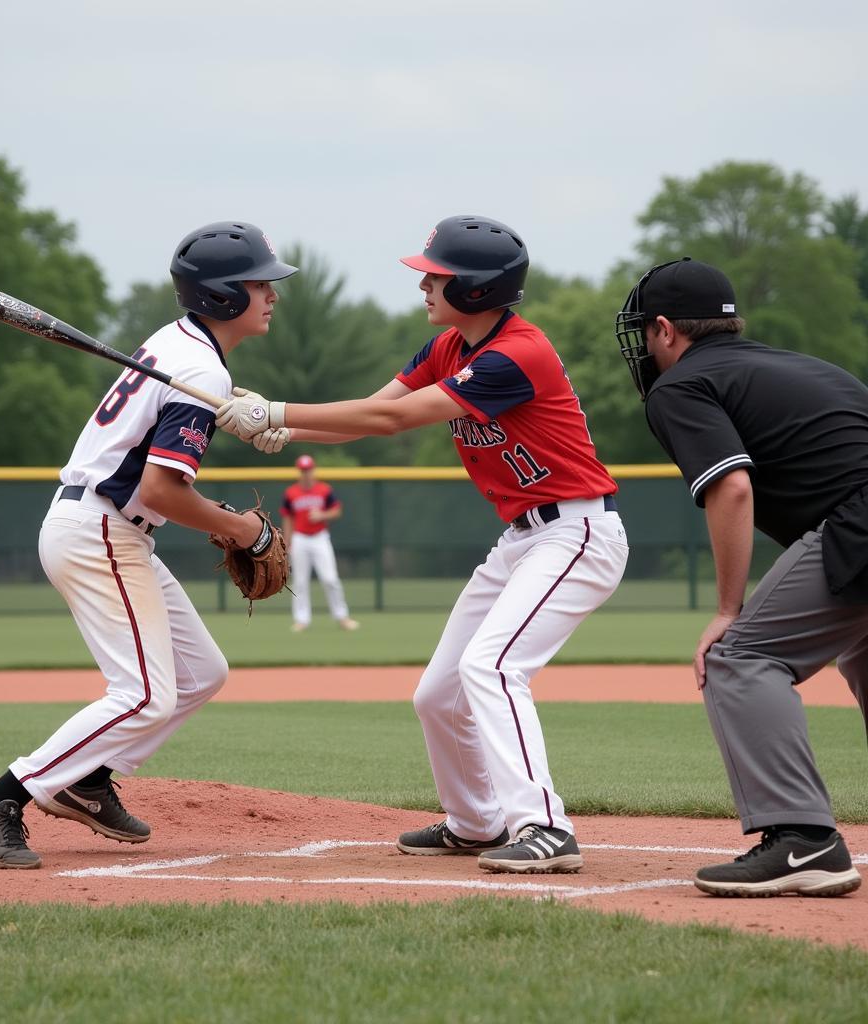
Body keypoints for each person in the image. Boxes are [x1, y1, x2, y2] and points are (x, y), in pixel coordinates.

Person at [217, 215, 629, 874]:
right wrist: (285, 433)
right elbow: (371, 412)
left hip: (576, 532)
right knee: (438, 694)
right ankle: (475, 822)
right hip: (525, 537)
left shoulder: (515, 353)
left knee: (492, 668)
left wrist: (280, 413)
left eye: (436, 275)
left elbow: (393, 417)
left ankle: (546, 827)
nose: (424, 285)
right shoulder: (447, 349)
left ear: (475, 287)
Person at [0, 222, 296, 868]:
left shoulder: (180, 346)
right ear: (223, 297)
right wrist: (242, 526)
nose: (273, 294)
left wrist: (233, 405)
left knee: (201, 675)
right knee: (143, 693)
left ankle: (87, 778)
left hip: (106, 530)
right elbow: (163, 492)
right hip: (101, 532)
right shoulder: (199, 368)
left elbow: (173, 411)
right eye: (260, 284)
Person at [616, 257, 865, 897]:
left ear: (666, 330)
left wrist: (729, 609)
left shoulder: (680, 387)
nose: (645, 345)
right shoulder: (805, 365)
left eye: (645, 331)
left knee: (740, 655)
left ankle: (803, 841)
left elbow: (731, 487)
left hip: (859, 524)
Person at [280, 453, 359, 633]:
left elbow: (337, 511)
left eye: (308, 470)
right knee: (300, 581)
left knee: (330, 579)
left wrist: (322, 515)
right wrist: (287, 541)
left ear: (313, 470)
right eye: (303, 470)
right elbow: (287, 518)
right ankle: (301, 620)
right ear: (299, 471)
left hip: (320, 537)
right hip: (300, 539)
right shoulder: (291, 493)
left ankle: (342, 617)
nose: (306, 473)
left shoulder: (324, 490)